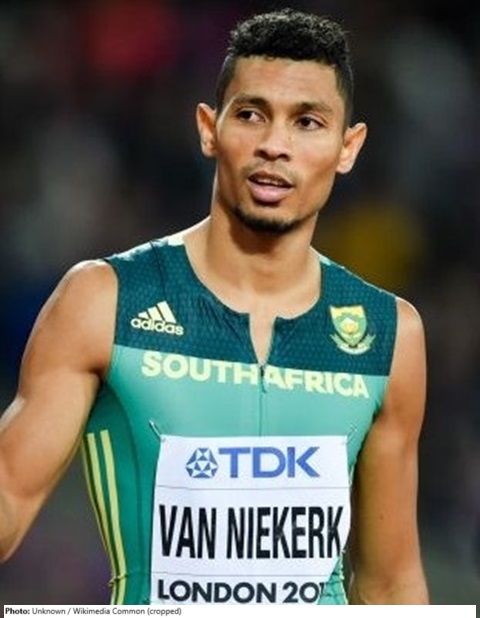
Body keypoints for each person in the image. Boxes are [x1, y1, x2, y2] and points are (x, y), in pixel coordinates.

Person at [0, 8, 429, 605]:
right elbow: (9, 499)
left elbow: (390, 584)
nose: (275, 145)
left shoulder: (389, 335)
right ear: (209, 128)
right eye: (251, 114)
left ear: (347, 146)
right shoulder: (106, 300)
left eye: (308, 122)